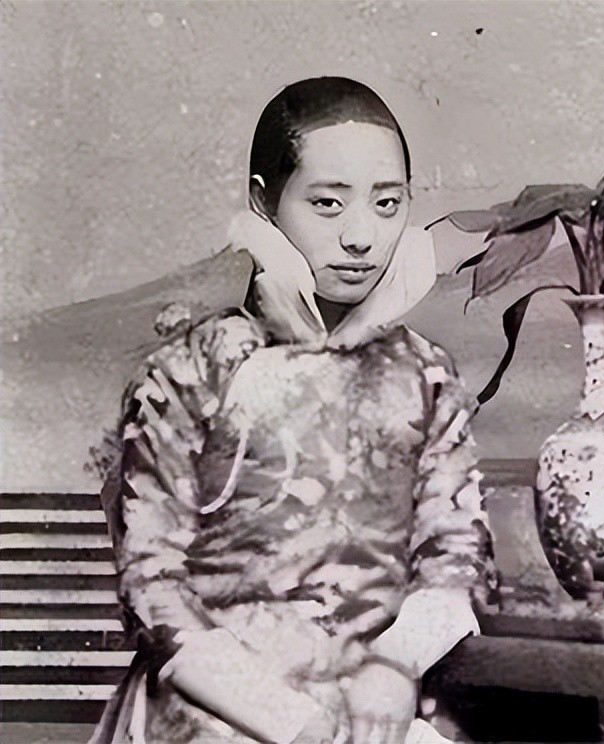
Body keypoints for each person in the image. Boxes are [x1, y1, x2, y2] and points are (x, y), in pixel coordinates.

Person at [91, 77, 494, 744]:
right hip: (215, 711)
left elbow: (458, 555)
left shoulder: (424, 373)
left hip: (377, 709)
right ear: (264, 201)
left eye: (387, 204)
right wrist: (291, 722)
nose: (361, 236)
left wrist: (396, 664)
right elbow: (152, 584)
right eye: (328, 203)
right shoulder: (189, 371)